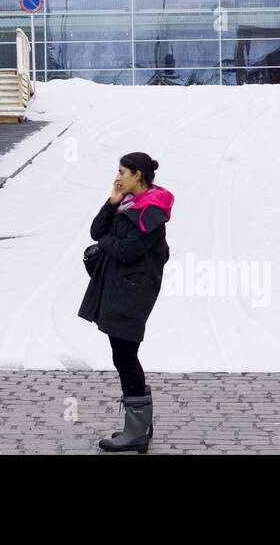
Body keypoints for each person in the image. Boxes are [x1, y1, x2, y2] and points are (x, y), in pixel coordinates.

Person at [77, 151, 173, 452]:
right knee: (123, 354)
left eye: (122, 172)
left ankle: (136, 431)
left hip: (133, 292)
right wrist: (113, 200)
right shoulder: (128, 204)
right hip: (119, 287)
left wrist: (104, 243)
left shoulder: (151, 214)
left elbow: (127, 251)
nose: (117, 177)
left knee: (125, 356)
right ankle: (140, 424)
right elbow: (96, 230)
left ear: (138, 176)